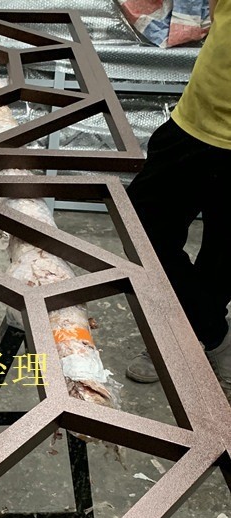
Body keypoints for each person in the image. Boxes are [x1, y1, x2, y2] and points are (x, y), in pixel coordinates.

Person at [125, 0, 230, 390]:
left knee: (224, 256)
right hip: (195, 121)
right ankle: (210, 332)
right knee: (142, 231)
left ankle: (182, 338)